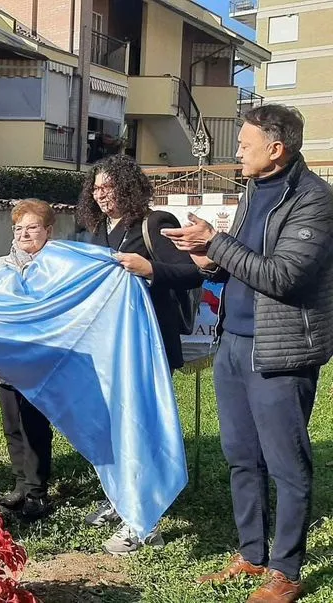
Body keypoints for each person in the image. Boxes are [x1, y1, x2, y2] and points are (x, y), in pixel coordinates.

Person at [162, 105, 333, 603]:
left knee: (287, 463)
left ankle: (287, 570)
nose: (236, 151)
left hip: (281, 350)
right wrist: (207, 260)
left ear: (276, 149)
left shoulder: (314, 200)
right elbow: (243, 264)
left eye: (245, 143)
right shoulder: (252, 192)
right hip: (233, 344)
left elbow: (283, 276)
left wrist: (216, 244)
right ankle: (252, 553)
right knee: (240, 455)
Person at [76, 153, 203, 555]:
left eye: (108, 187)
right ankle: (121, 499)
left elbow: (192, 272)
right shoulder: (96, 228)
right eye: (95, 188)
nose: (100, 195)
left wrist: (149, 269)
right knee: (114, 428)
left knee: (142, 429)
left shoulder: (154, 223)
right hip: (108, 347)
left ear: (127, 187)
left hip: (145, 348)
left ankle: (145, 522)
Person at [0, 199, 55, 521]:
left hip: (39, 361)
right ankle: (21, 484)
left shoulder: (58, 267)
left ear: (48, 231)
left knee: (35, 425)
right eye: (19, 228)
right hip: (4, 362)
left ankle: (38, 492)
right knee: (12, 424)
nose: (24, 233)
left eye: (32, 227)